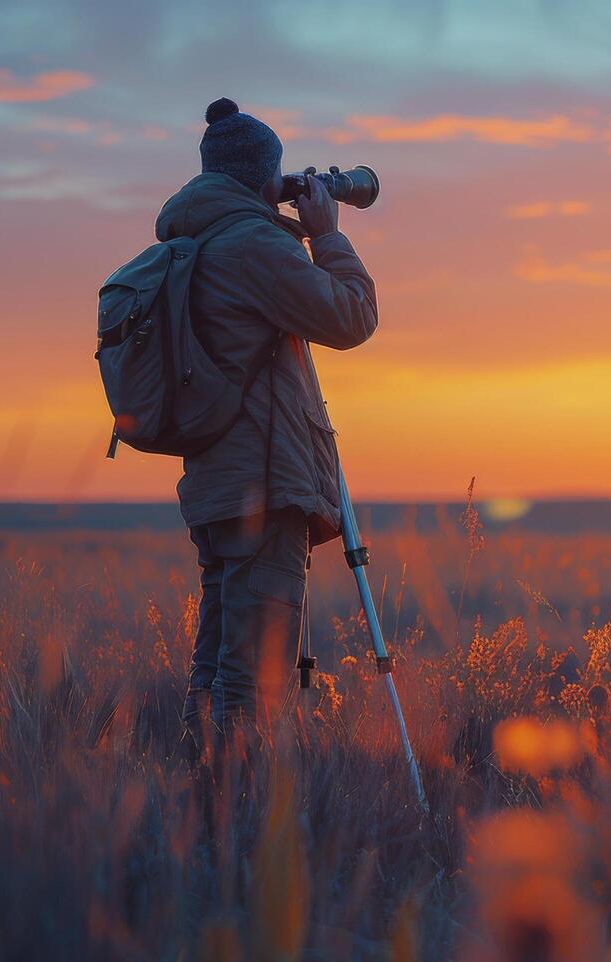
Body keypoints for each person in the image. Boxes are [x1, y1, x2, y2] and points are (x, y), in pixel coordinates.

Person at [155, 97, 378, 759]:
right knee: (255, 679)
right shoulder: (250, 243)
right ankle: (241, 817)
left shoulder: (191, 240)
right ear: (264, 177)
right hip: (265, 480)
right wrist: (327, 235)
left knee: (221, 663)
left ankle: (203, 804)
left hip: (218, 479)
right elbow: (350, 319)